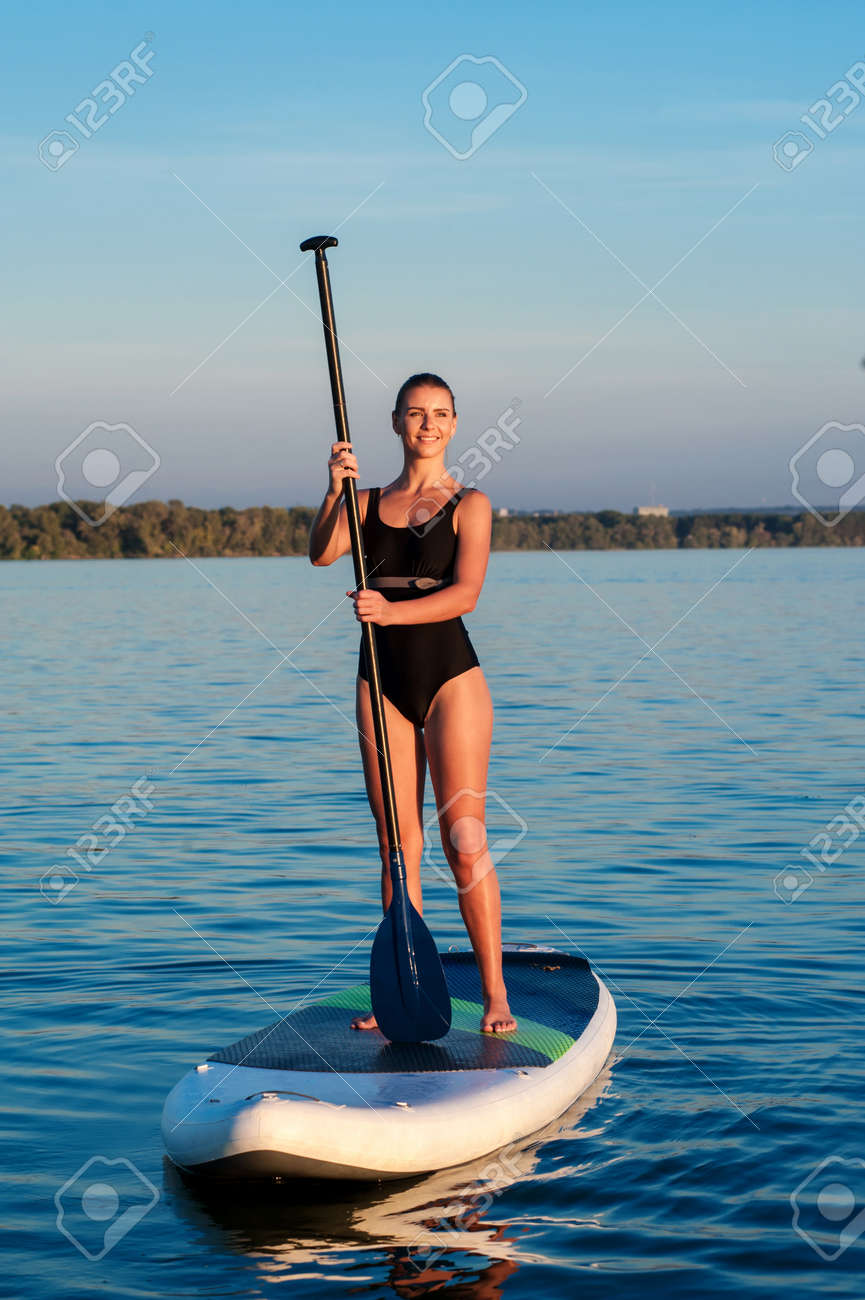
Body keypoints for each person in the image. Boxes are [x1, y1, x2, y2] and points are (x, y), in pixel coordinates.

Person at [309, 373, 516, 1034]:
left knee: (464, 841)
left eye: (440, 413)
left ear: (454, 424)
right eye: (416, 413)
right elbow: (322, 555)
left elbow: (465, 594)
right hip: (380, 680)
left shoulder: (470, 503)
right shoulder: (364, 500)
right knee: (397, 846)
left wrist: (389, 613)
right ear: (396, 422)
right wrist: (334, 489)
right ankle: (403, 989)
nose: (428, 424)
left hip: (450, 678)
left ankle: (495, 994)